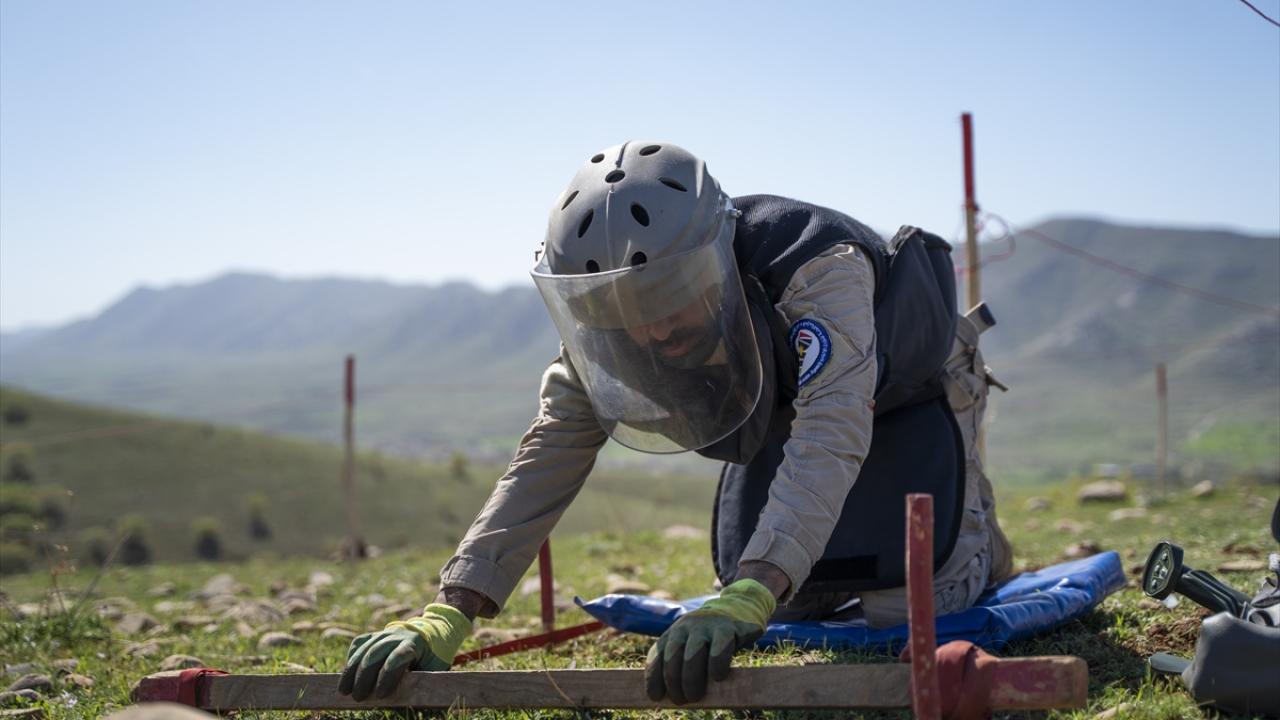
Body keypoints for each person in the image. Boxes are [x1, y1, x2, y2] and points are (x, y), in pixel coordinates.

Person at [337, 141, 1014, 704]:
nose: (652, 331)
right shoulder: (618, 324)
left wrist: (760, 581)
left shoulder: (817, 268)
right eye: (624, 312)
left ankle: (981, 543)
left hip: (904, 396)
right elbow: (551, 448)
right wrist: (454, 604)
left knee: (905, 608)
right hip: (784, 421)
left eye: (668, 299)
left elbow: (832, 429)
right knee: (788, 608)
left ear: (713, 260)